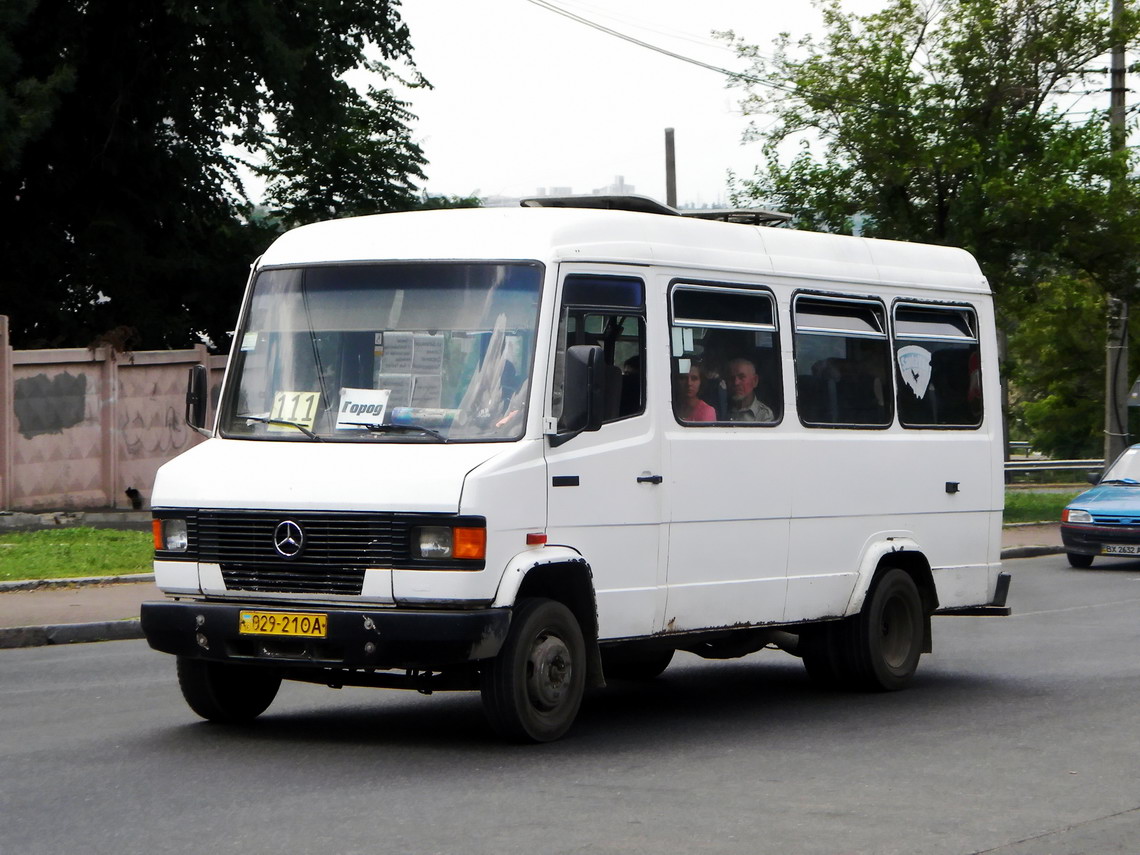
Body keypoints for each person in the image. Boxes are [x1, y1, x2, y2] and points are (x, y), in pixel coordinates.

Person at [726, 357, 774, 422]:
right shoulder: (722, 410)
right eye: (731, 378)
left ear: (754, 381)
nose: (736, 382)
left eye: (741, 377)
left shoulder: (764, 415)